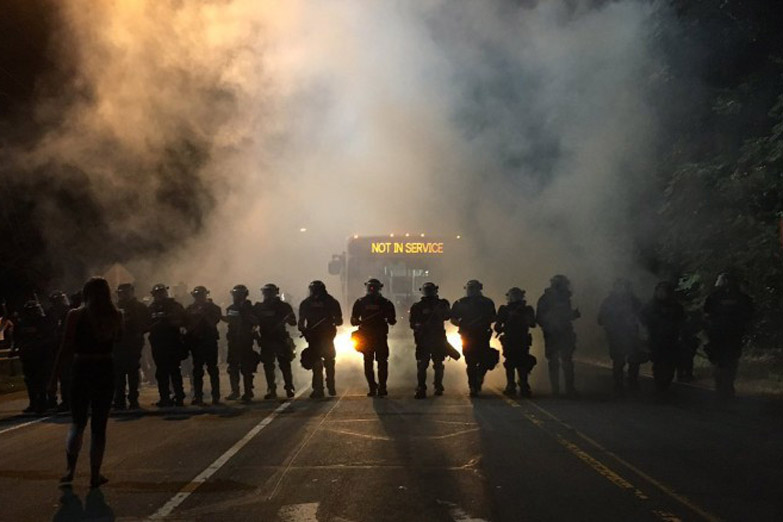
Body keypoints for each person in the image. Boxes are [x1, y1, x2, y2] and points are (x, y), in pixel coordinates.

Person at [49, 277, 122, 488]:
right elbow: (118, 339)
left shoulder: (75, 315)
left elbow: (66, 346)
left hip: (82, 368)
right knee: (99, 426)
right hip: (104, 368)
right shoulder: (116, 315)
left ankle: (70, 469)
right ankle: (95, 474)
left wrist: (54, 378)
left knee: (78, 422)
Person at [704, 273, 754, 399]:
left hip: (719, 335)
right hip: (733, 335)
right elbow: (750, 314)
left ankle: (721, 384)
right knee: (731, 361)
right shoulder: (743, 298)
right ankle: (727, 384)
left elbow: (706, 312)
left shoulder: (714, 296)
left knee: (719, 361)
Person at [351, 278, 397, 397]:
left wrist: (389, 318)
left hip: (379, 336)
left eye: (373, 287)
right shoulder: (361, 302)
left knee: (379, 362)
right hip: (367, 336)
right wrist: (356, 321)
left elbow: (392, 320)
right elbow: (353, 319)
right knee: (370, 362)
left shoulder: (385, 303)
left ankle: (381, 386)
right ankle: (373, 386)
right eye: (370, 287)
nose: (371, 289)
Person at [536, 275, 581, 397]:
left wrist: (571, 315)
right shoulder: (546, 299)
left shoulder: (566, 298)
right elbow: (539, 317)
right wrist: (550, 324)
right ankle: (557, 389)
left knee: (565, 361)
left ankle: (567, 389)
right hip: (553, 333)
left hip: (563, 332)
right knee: (556, 361)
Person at [451, 280, 497, 397]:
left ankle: (479, 377)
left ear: (479, 289)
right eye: (470, 288)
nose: (471, 290)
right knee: (470, 362)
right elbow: (453, 319)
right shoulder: (460, 303)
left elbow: (493, 317)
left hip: (482, 335)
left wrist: (483, 322)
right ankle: (473, 386)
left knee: (485, 360)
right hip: (468, 336)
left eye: (474, 288)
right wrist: (463, 325)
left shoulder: (487, 302)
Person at [597, 279, 643, 395]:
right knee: (618, 360)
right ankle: (618, 383)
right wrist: (612, 323)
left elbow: (643, 316)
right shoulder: (609, 302)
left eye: (623, 287)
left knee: (634, 359)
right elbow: (600, 319)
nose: (621, 289)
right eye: (619, 287)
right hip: (616, 335)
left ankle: (632, 382)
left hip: (631, 334)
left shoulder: (634, 302)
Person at [298, 281, 343, 399]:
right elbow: (301, 322)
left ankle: (323, 387)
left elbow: (338, 320)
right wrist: (305, 330)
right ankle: (324, 387)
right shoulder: (331, 301)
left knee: (321, 362)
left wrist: (304, 330)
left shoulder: (308, 303)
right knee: (324, 361)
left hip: (323, 336)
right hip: (317, 336)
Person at [253, 284, 297, 399]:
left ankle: (289, 387)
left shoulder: (284, 307)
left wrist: (287, 319)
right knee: (268, 366)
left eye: (270, 292)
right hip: (266, 339)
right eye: (266, 292)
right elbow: (252, 322)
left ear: (275, 293)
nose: (267, 295)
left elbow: (293, 322)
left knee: (284, 364)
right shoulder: (259, 307)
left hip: (280, 338)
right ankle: (271, 389)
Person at [641, 281, 685, 393]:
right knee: (658, 365)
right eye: (659, 291)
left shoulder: (676, 307)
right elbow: (642, 320)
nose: (662, 293)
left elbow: (682, 321)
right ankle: (659, 387)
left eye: (664, 291)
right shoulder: (650, 306)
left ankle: (665, 385)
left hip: (671, 340)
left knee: (670, 365)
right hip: (656, 340)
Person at [147, 284, 187, 407]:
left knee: (174, 371)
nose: (159, 295)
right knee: (161, 372)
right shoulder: (151, 308)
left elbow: (182, 320)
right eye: (157, 293)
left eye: (161, 293)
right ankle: (164, 397)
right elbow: (146, 323)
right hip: (158, 343)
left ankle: (179, 396)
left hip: (172, 342)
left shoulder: (175, 306)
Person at [409, 282, 451, 399]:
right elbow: (412, 323)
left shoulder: (442, 304)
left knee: (437, 364)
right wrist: (420, 326)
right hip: (424, 339)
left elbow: (448, 316)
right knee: (423, 365)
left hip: (437, 338)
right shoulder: (417, 306)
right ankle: (422, 387)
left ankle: (437, 386)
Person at [113, 284, 150, 410]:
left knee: (133, 372)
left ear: (132, 292)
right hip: (118, 345)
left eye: (126, 292)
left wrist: (138, 332)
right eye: (121, 292)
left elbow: (147, 323)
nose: (123, 295)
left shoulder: (140, 307)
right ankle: (119, 400)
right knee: (119, 374)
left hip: (133, 344)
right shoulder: (114, 308)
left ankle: (133, 399)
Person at [495, 287, 537, 397]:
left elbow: (532, 323)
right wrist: (505, 323)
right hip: (509, 339)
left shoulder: (527, 309)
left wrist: (522, 316)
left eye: (517, 295)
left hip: (522, 338)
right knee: (510, 363)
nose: (515, 297)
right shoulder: (504, 309)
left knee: (523, 362)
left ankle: (523, 383)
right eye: (513, 295)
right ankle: (510, 384)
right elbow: (497, 325)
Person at [13, 300, 54, 414]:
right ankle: (34, 403)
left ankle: (44, 402)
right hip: (28, 357)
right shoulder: (21, 324)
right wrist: (16, 349)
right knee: (30, 380)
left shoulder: (44, 322)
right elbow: (17, 339)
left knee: (42, 379)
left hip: (42, 356)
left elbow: (49, 337)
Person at [184, 286, 222, 405]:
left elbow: (213, 323)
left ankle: (215, 396)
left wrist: (204, 314)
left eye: (201, 295)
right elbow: (186, 324)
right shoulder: (190, 309)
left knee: (212, 369)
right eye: (197, 295)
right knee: (197, 371)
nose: (199, 297)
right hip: (196, 343)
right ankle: (198, 396)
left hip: (209, 341)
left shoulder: (214, 308)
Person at [223, 284, 259, 402]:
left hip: (245, 341)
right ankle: (235, 391)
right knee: (233, 368)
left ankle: (248, 391)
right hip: (233, 341)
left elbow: (256, 322)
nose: (237, 296)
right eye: (235, 294)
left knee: (246, 368)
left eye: (239, 294)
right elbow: (229, 320)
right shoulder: (231, 308)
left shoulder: (250, 308)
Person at [47, 292, 72, 411]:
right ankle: (55, 400)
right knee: (59, 376)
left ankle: (69, 400)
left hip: (68, 348)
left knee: (67, 375)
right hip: (53, 348)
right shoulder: (50, 314)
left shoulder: (70, 312)